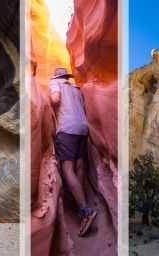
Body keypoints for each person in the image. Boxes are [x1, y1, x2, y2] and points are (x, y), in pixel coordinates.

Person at [49, 67, 97, 237]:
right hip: (83, 129)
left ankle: (85, 211)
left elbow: (55, 100)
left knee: (67, 169)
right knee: (80, 165)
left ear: (56, 76)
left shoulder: (55, 82)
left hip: (67, 128)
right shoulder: (77, 89)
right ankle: (82, 202)